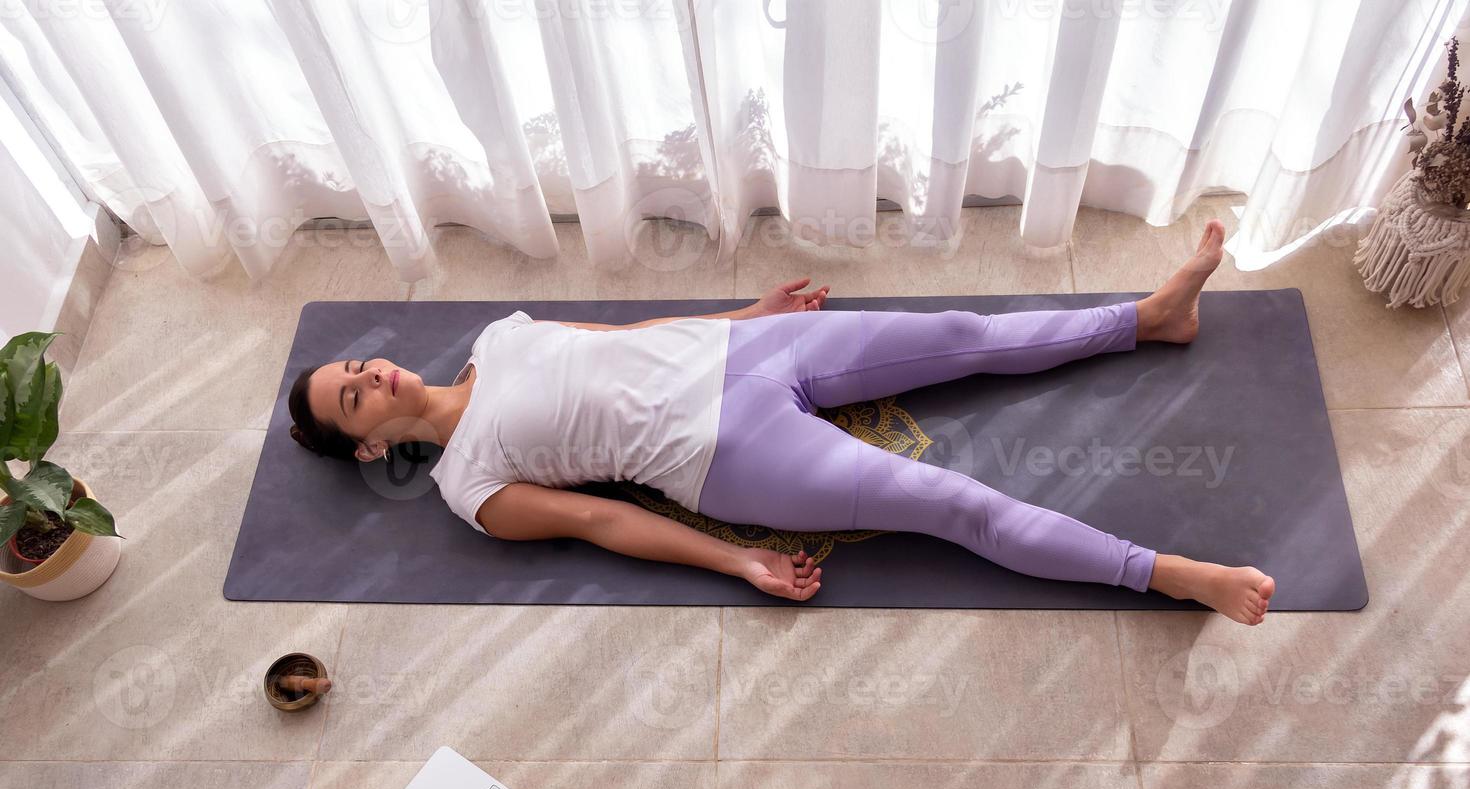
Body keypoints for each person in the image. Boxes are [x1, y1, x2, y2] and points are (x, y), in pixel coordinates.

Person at [288, 219, 1273, 625]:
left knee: (962, 332)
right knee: (949, 501)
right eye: (353, 396)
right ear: (372, 443)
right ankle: (1172, 576)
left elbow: (629, 334)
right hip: (724, 456)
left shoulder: (498, 336)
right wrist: (739, 561)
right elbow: (603, 521)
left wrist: (743, 320)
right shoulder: (470, 490)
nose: (373, 372)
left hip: (746, 356)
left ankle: (1148, 318)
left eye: (356, 367)